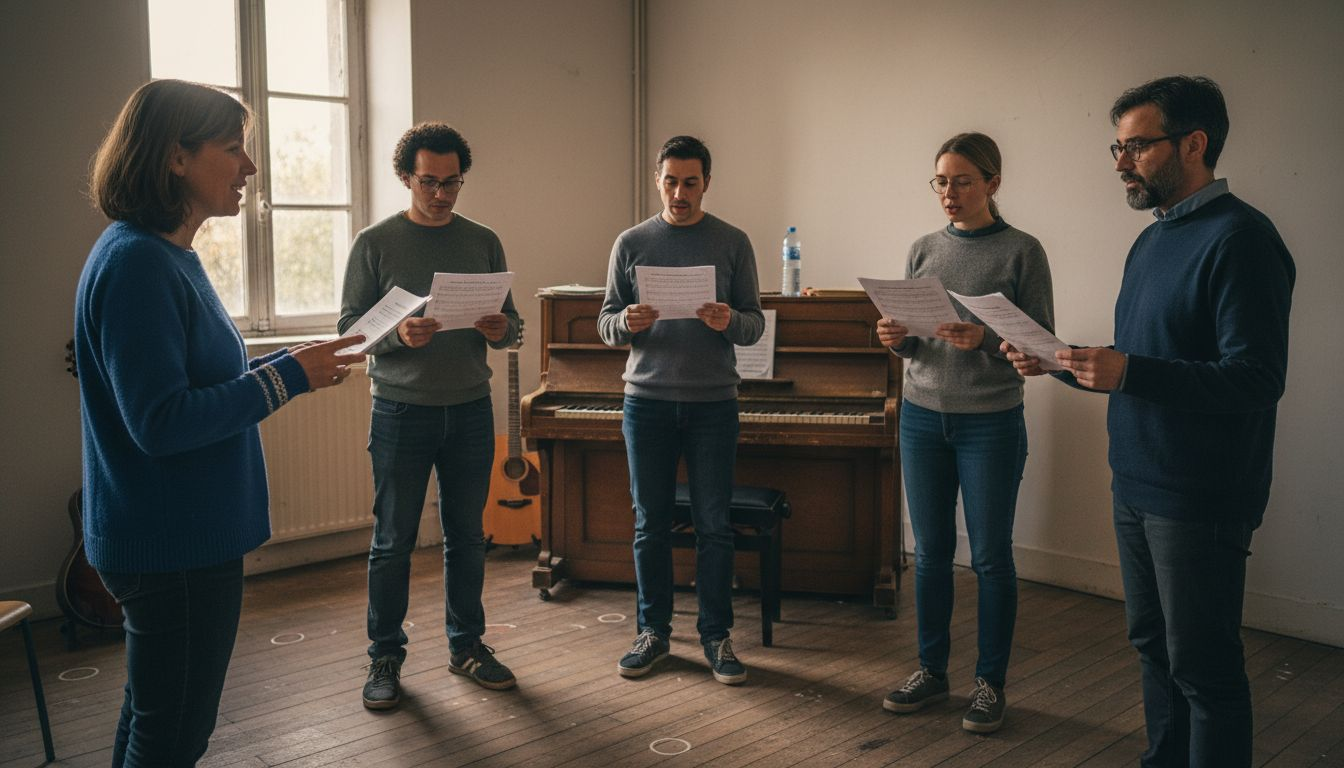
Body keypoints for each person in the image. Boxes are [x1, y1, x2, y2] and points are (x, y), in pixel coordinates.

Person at [1004, 76, 1294, 766]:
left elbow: (1257, 378)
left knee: (1204, 671)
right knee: (1153, 650)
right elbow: (1139, 365)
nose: (1119, 162)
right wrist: (1061, 363)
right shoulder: (1151, 241)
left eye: (1136, 146)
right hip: (1135, 484)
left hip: (1199, 496)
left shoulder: (1243, 239)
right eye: (1117, 145)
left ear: (1193, 144)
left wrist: (1130, 370)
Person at [75, 79, 362, 767]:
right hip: (172, 541)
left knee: (155, 719)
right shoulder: (138, 262)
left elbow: (199, 375)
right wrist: (289, 377)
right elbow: (162, 421)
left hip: (176, 534)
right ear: (177, 158)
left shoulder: (162, 254)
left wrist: (287, 359)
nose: (251, 169)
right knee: (173, 735)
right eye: (234, 149)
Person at [876, 133, 1053, 734]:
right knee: (928, 554)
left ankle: (989, 684)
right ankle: (931, 672)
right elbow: (913, 340)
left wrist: (987, 343)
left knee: (991, 558)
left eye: (962, 181)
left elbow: (1043, 348)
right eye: (941, 182)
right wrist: (897, 339)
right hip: (922, 416)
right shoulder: (923, 248)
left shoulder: (1023, 251)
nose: (949, 194)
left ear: (993, 184)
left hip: (991, 423)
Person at [340, 122, 521, 710]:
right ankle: (384, 657)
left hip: (470, 408)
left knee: (468, 537)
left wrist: (502, 329)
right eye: (429, 182)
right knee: (393, 542)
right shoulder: (375, 242)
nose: (441, 194)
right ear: (405, 178)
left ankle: (467, 646)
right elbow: (348, 332)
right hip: (400, 410)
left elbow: (512, 324)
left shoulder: (483, 239)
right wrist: (398, 336)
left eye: (452, 183)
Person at [598, 135, 764, 685]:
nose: (679, 193)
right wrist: (627, 323)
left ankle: (717, 637)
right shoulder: (631, 242)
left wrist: (727, 322)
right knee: (649, 524)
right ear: (658, 180)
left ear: (706, 183)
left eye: (690, 182)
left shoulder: (733, 242)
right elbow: (604, 323)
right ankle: (654, 634)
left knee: (714, 525)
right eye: (670, 181)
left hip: (714, 404)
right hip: (645, 403)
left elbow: (754, 323)